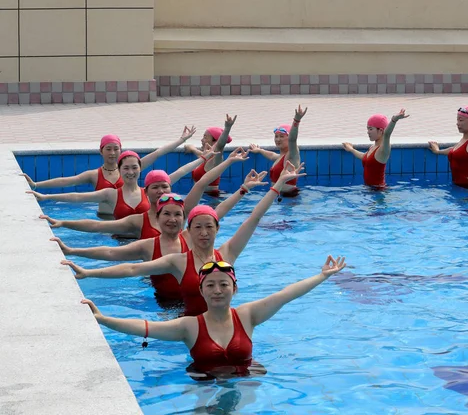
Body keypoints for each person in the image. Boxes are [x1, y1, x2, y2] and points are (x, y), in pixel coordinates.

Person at [62, 162, 306, 316]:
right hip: (169, 307)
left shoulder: (202, 241)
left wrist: (252, 189)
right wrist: (79, 259)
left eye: (177, 215)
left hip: (210, 311)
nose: (172, 219)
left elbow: (249, 218)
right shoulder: (165, 251)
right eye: (166, 214)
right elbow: (121, 260)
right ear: (157, 213)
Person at [79, 255, 346, 379]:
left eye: (224, 284)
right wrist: (104, 319)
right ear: (201, 290)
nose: (217, 290)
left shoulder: (248, 315)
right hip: (203, 384)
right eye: (210, 285)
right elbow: (146, 327)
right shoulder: (189, 326)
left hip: (247, 380)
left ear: (234, 289)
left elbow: (287, 294)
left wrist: (322, 276)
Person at [39, 148, 251, 238]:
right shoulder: (138, 218)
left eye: (165, 187)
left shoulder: (181, 213)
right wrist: (62, 223)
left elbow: (202, 184)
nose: (161, 191)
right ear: (147, 191)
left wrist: (230, 165)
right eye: (156, 188)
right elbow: (98, 224)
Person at [21, 126, 197, 192]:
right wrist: (38, 185)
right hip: (104, 219)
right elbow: (67, 181)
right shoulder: (94, 175)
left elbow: (158, 153)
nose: (112, 153)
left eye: (116, 149)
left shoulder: (131, 169)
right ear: (101, 151)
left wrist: (181, 140)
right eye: (108, 149)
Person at [248, 105, 308, 197]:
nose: (278, 139)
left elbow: (293, 139)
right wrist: (259, 150)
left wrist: (296, 121)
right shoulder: (281, 156)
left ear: (288, 138)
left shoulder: (292, 154)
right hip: (277, 196)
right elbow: (272, 155)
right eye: (276, 136)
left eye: (282, 136)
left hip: (289, 197)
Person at [341, 109, 409, 187]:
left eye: (370, 129)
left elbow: (387, 134)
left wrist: (394, 120)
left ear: (380, 130)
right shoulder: (373, 147)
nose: (368, 132)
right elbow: (364, 157)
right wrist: (351, 149)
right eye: (367, 129)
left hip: (379, 193)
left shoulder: (383, 150)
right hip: (369, 190)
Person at [186, 115, 236, 196]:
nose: (202, 140)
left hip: (211, 199)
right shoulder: (205, 156)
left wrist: (227, 128)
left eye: (205, 137)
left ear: (215, 141)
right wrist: (192, 149)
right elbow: (194, 150)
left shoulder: (216, 159)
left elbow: (220, 147)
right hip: (201, 197)